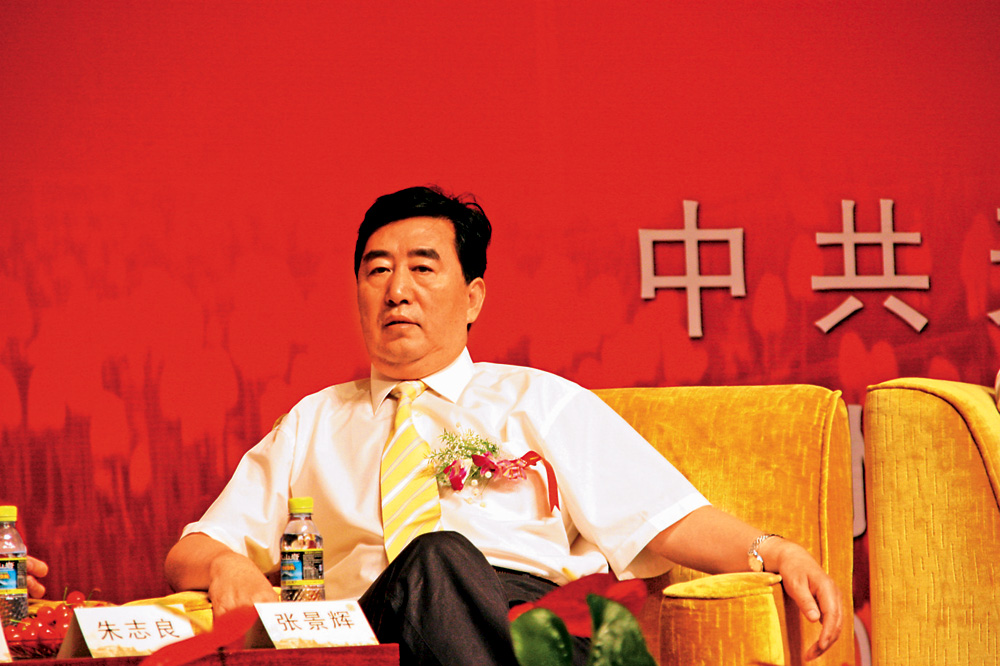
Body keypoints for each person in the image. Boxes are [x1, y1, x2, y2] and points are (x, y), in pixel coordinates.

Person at [165, 186, 842, 665]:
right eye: (378, 271)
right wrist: (226, 563)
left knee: (443, 559)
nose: (397, 290)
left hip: (526, 625)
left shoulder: (537, 400)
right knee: (433, 560)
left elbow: (665, 517)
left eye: (422, 267)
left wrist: (774, 551)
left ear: (473, 298)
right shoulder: (312, 422)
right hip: (369, 632)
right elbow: (191, 550)